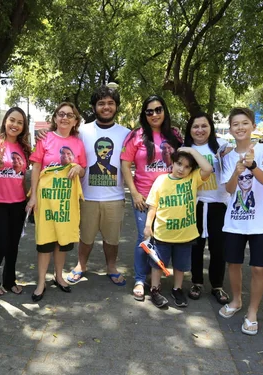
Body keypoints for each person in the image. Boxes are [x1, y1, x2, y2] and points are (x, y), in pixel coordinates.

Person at [65, 86, 131, 287]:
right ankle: (80, 265)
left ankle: (111, 267)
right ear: (94, 107)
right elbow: (62, 141)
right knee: (86, 236)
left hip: (115, 197)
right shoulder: (82, 131)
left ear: (116, 107)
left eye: (110, 103)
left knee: (112, 239)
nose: (106, 107)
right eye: (101, 103)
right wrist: (43, 135)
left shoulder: (126, 134)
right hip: (87, 196)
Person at [120, 95, 183, 301]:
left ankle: (155, 278)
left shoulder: (175, 135)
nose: (154, 114)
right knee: (145, 238)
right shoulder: (135, 136)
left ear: (164, 111)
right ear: (144, 115)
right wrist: (134, 193)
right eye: (149, 111)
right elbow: (125, 165)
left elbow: (185, 162)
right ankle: (139, 279)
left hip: (170, 199)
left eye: (158, 110)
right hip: (143, 197)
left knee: (162, 239)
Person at [219, 108, 263, 335]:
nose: (240, 128)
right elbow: (230, 190)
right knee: (233, 263)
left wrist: (252, 165)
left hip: (261, 221)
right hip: (234, 220)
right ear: (231, 129)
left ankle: (252, 311)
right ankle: (236, 301)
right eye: (235, 124)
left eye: (245, 123)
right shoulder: (228, 155)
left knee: (259, 267)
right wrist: (236, 169)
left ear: (253, 126)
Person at [26, 102, 87, 302]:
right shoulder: (45, 139)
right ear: (54, 118)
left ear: (75, 121)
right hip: (46, 201)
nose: (65, 118)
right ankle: (41, 282)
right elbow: (35, 168)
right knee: (45, 242)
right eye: (61, 114)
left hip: (66, 203)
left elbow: (83, 169)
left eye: (70, 115)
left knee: (62, 242)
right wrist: (33, 196)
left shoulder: (78, 143)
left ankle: (59, 277)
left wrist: (78, 169)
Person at [144, 148, 213, 308]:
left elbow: (208, 168)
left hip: (185, 235)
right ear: (172, 163)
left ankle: (177, 289)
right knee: (158, 264)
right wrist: (148, 226)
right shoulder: (161, 180)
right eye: (179, 163)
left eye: (187, 166)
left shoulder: (193, 179)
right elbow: (153, 206)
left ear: (191, 169)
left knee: (180, 266)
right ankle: (155, 289)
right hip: (163, 233)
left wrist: (189, 150)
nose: (182, 169)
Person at [0, 107, 32, 296]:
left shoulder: (24, 147)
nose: (15, 125)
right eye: (12, 120)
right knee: (1, 245)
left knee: (13, 245)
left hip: (18, 204)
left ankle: (10, 281)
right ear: (5, 121)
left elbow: (24, 175)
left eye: (20, 122)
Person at [182, 112, 230, 305]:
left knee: (219, 248)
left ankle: (217, 285)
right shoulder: (185, 149)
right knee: (196, 246)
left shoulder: (222, 147)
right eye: (195, 126)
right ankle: (196, 282)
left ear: (210, 128)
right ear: (190, 129)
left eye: (204, 126)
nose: (200, 130)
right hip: (195, 204)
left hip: (219, 204)